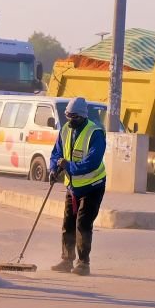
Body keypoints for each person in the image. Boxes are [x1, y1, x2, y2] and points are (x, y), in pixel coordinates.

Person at [49, 97, 107, 276]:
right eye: (68, 116)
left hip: (93, 185)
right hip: (73, 187)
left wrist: (69, 167)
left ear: (82, 116)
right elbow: (57, 152)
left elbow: (92, 161)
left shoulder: (95, 133)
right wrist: (54, 168)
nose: (70, 120)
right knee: (68, 222)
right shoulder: (65, 130)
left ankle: (83, 262)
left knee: (83, 222)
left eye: (73, 117)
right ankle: (67, 260)